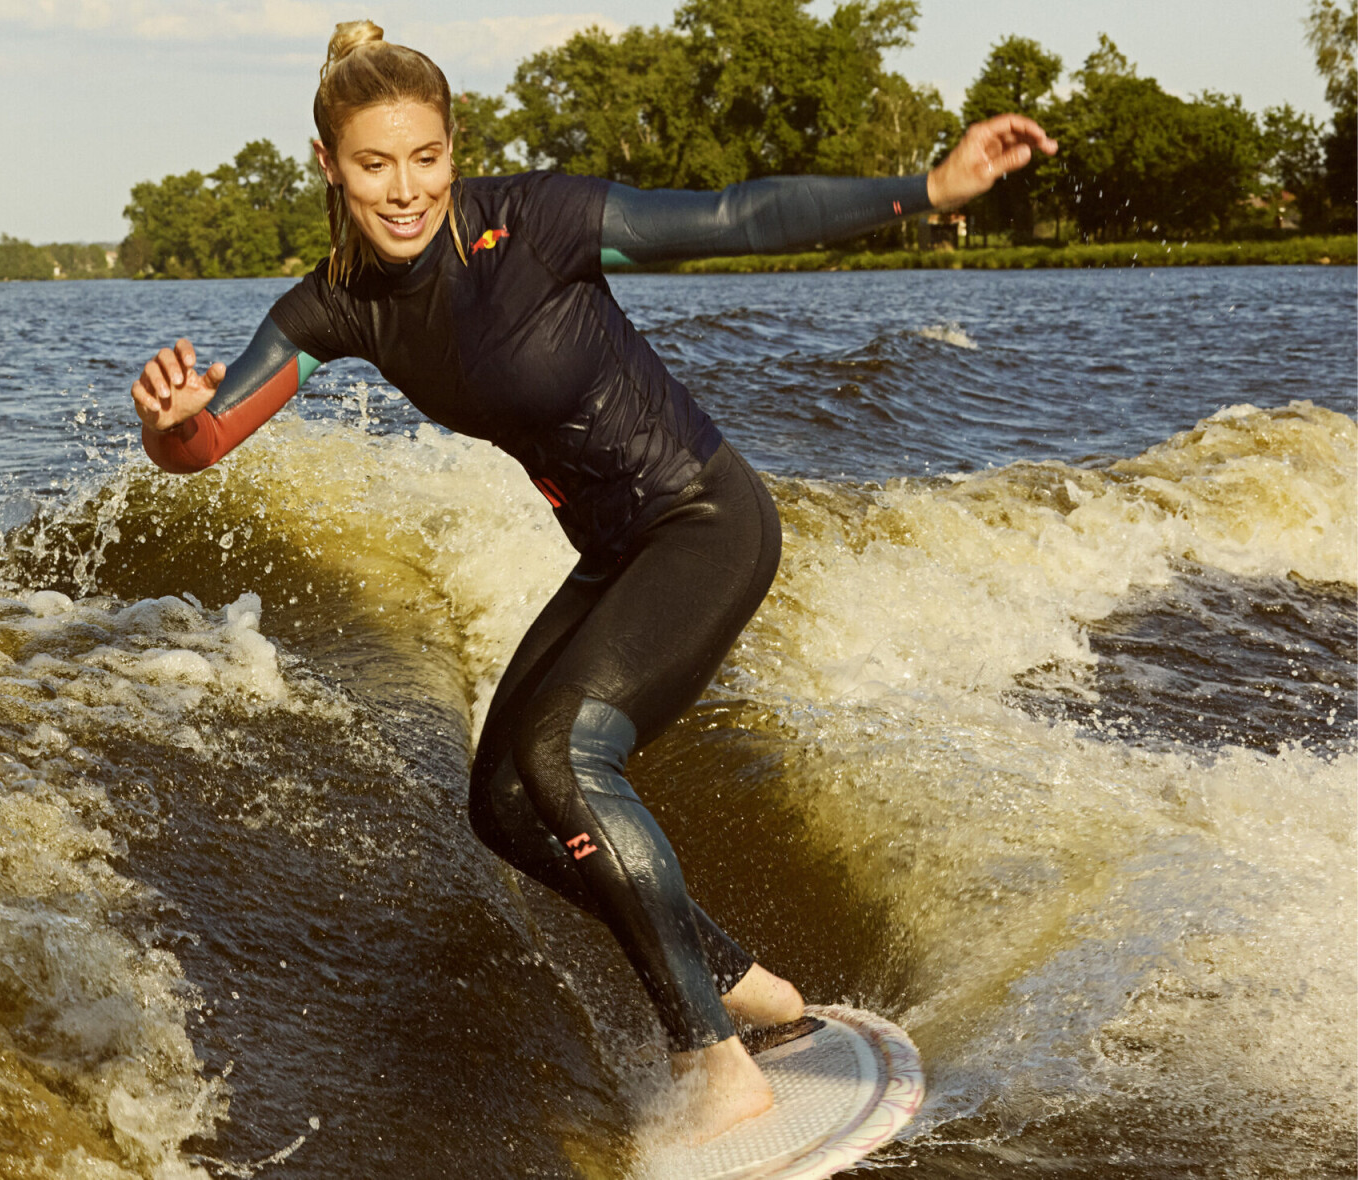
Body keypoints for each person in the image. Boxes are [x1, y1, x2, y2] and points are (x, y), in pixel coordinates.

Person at [129, 20, 1055, 1144]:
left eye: (425, 156)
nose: (405, 188)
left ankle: (713, 1057)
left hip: (707, 523)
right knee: (503, 806)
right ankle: (749, 988)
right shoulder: (331, 307)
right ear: (326, 164)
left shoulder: (535, 222)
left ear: (452, 148)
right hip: (618, 552)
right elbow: (206, 441)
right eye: (373, 164)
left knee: (561, 755)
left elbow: (734, 215)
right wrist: (170, 426)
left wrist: (926, 189)